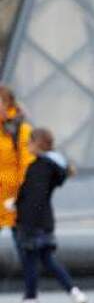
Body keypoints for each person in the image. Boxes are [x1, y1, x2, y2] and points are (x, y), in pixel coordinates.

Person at [8, 128, 87, 303]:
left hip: (31, 222)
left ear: (39, 144)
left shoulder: (38, 167)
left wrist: (17, 206)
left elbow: (32, 196)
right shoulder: (53, 167)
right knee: (46, 260)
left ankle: (30, 301)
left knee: (30, 261)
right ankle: (75, 293)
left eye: (29, 142)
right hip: (46, 221)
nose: (27, 146)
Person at [1, 86, 34, 258]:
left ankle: (32, 284)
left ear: (7, 104)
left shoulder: (21, 130)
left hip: (13, 197)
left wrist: (22, 196)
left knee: (24, 248)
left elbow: (26, 165)